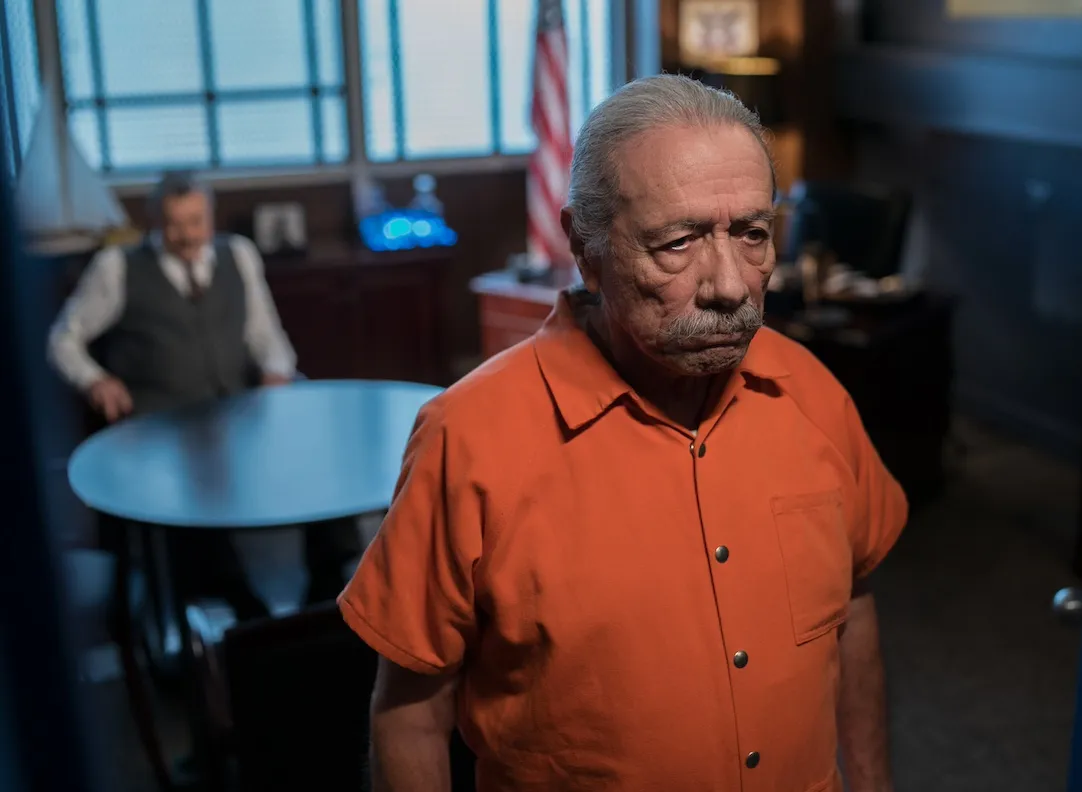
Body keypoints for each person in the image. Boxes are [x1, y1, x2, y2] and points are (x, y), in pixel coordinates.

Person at [339, 75, 908, 791]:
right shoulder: (469, 439)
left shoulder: (813, 392)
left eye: (753, 235)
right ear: (586, 244)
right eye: (679, 242)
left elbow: (852, 610)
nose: (730, 284)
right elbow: (411, 718)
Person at [49, 171, 359, 618]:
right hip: (162, 423)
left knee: (314, 440)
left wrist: (276, 373)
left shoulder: (239, 255)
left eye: (196, 221)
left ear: (209, 218)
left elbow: (266, 335)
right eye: (175, 224)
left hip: (239, 408)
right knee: (189, 491)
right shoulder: (117, 267)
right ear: (155, 221)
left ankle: (329, 573)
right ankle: (234, 603)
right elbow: (63, 339)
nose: (187, 235)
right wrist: (95, 380)